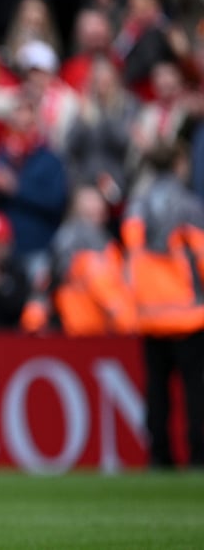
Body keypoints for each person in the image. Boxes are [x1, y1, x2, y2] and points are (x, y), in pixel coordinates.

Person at [120, 142, 204, 468]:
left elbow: (132, 254)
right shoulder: (188, 205)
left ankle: (159, 455)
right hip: (187, 314)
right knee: (195, 392)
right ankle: (199, 455)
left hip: (150, 315)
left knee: (157, 391)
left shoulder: (137, 206)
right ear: (178, 165)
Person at [21, 185, 136, 337]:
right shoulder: (74, 242)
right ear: (77, 210)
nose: (96, 209)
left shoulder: (106, 242)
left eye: (98, 205)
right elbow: (105, 288)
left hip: (100, 329)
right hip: (85, 330)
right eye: (89, 207)